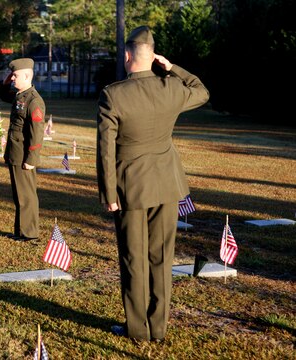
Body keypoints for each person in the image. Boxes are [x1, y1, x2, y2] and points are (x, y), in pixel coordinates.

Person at [96, 26, 209, 341]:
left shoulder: (113, 94)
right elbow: (201, 90)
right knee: (161, 257)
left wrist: (108, 192)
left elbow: (106, 148)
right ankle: (157, 327)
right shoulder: (171, 88)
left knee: (134, 258)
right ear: (153, 56)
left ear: (128, 55)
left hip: (130, 188)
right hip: (166, 184)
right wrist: (171, 67)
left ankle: (137, 329)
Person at [0, 58, 46, 241]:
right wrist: (9, 76)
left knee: (26, 196)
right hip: (15, 152)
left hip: (24, 155)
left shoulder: (34, 101)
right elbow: (4, 95)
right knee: (19, 195)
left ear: (27, 76)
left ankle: (29, 233)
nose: (12, 79)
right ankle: (20, 231)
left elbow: (37, 133)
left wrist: (31, 159)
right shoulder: (21, 95)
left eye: (15, 75)